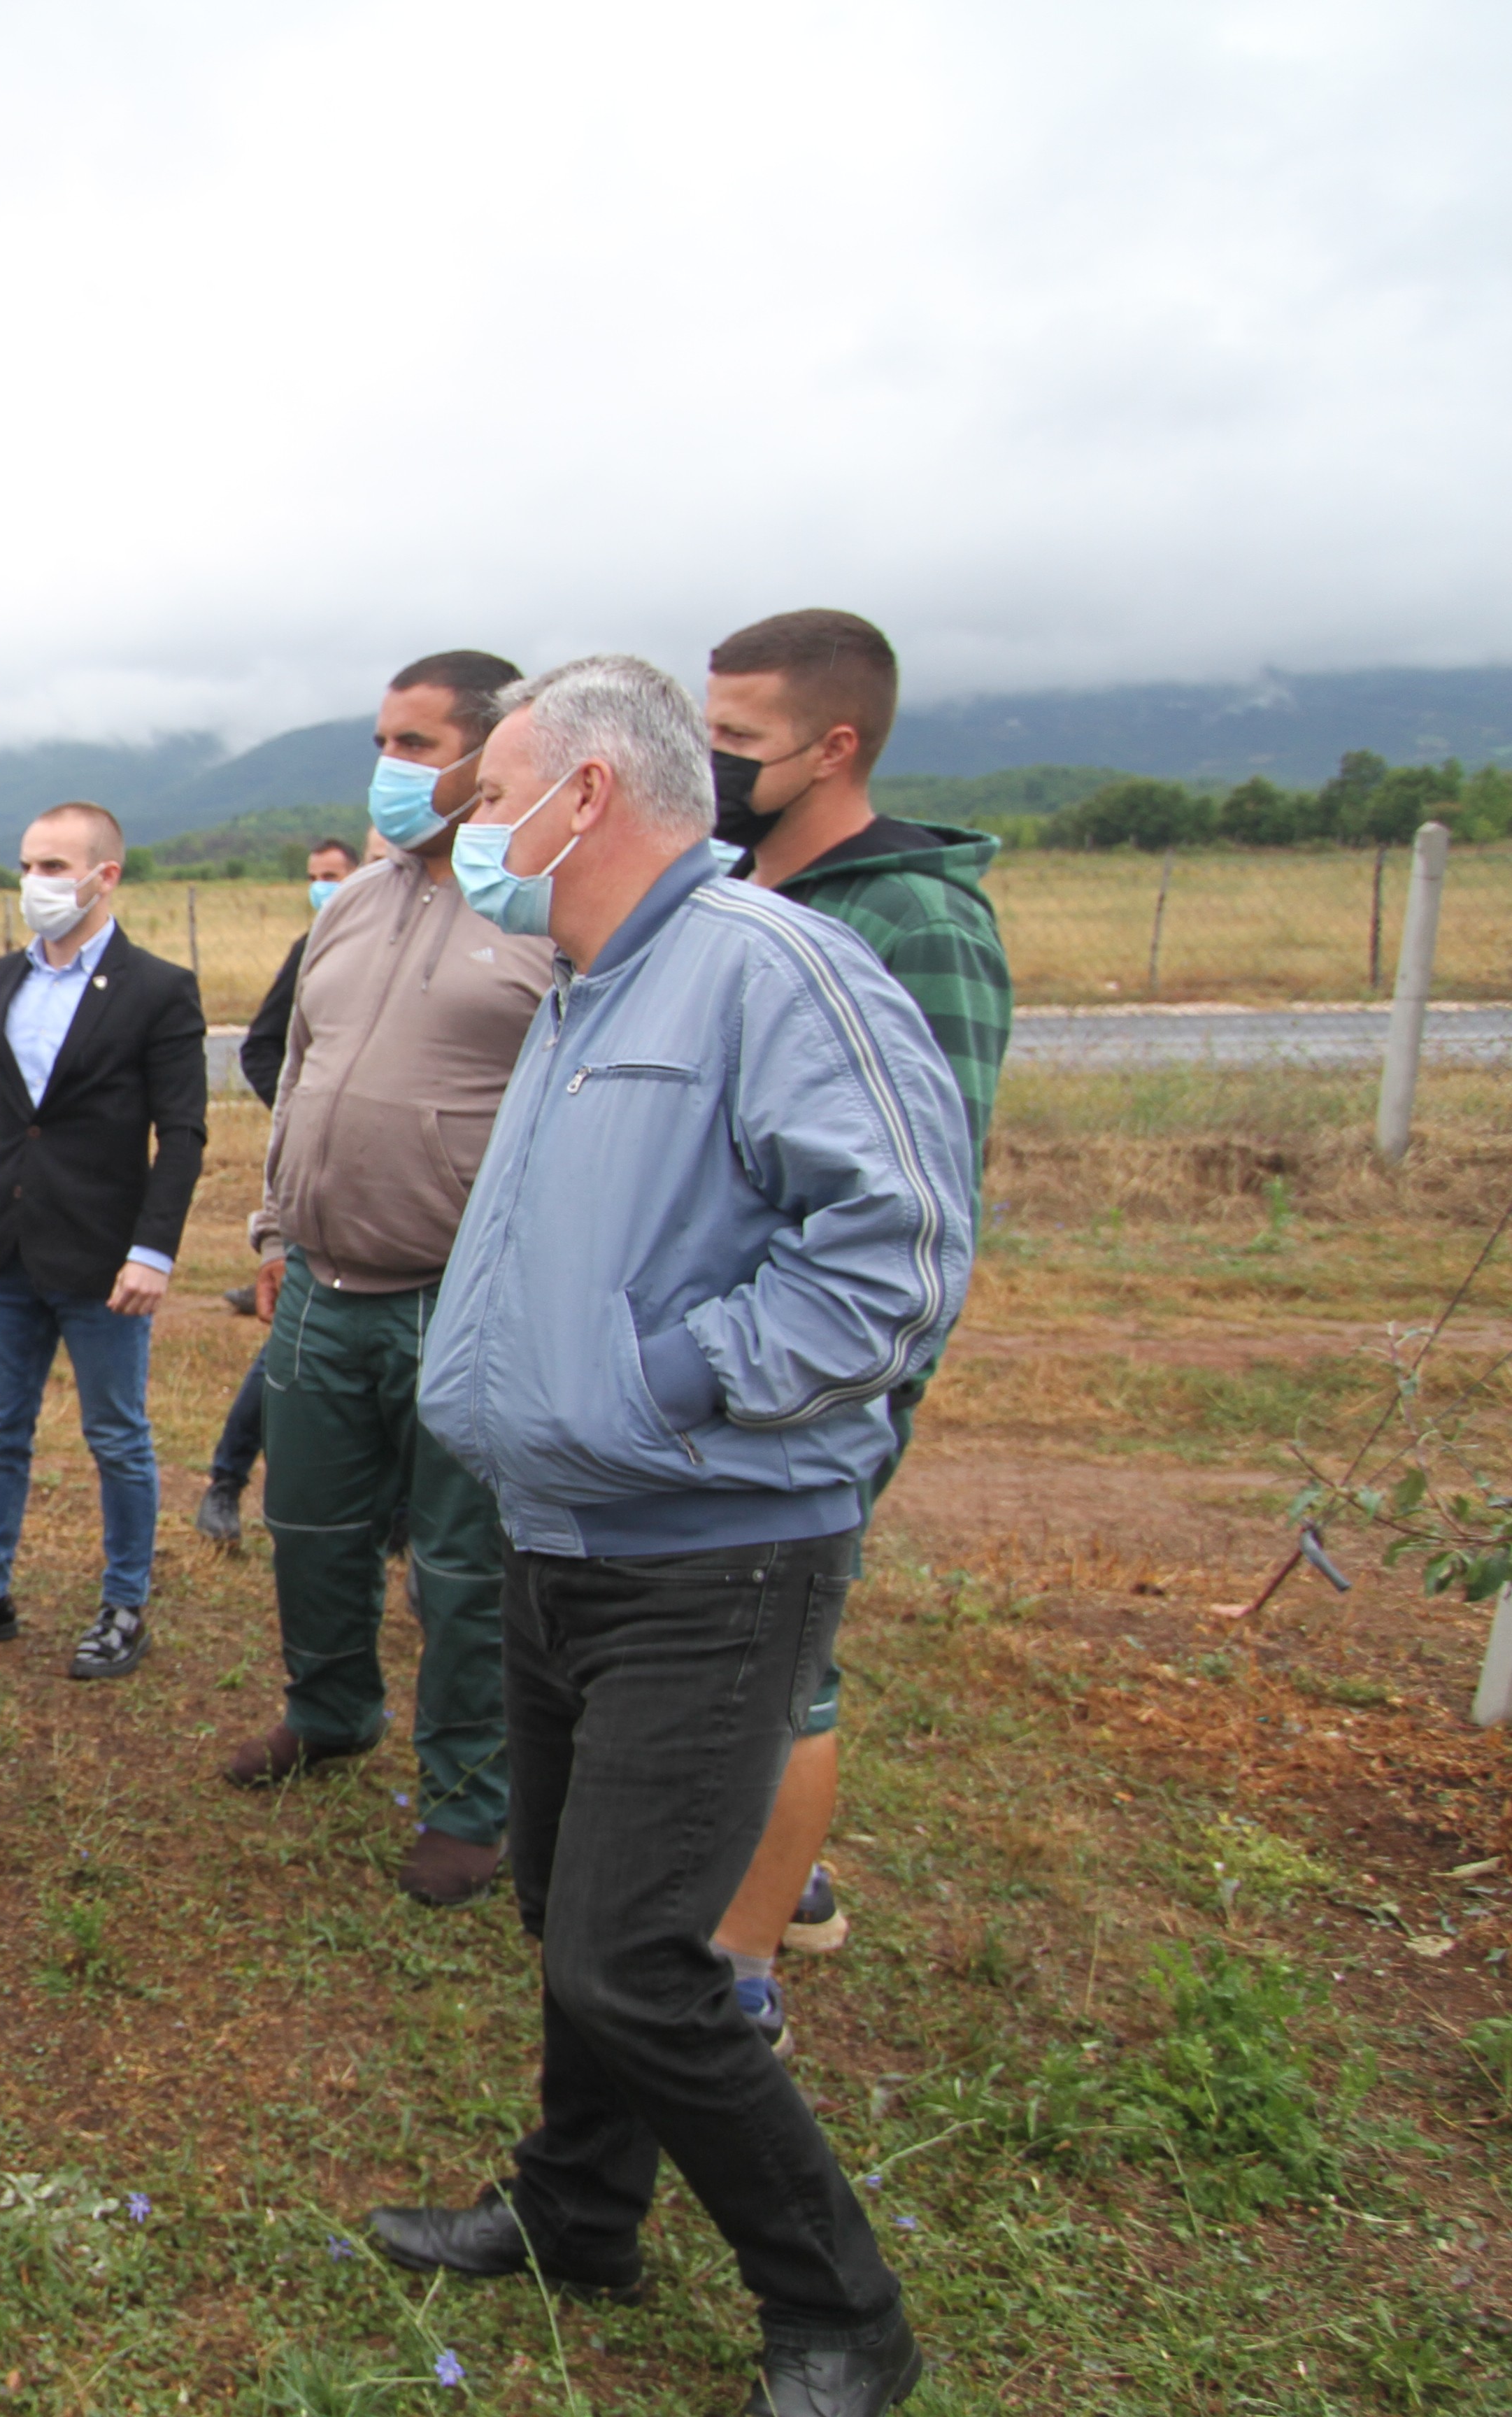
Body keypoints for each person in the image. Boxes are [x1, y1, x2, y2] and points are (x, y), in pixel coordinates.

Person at [379, 655, 971, 2417]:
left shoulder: (769, 970)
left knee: (636, 1954)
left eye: (488, 792)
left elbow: (895, 1256)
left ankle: (840, 2309)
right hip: (562, 1532)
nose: (465, 825)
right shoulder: (578, 986)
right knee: (566, 1904)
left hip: (712, 1548)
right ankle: (578, 2210)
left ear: (587, 796)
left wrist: (663, 1382)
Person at [702, 609, 1011, 2057]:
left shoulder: (912, 922)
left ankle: (745, 1952)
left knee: (782, 1651)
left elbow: (914, 1205)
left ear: (836, 747)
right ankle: (759, 1862)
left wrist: (817, 1387)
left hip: (801, 1375)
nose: (710, 761)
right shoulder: (730, 885)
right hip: (710, 1349)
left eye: (739, 742)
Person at [220, 653, 545, 1910]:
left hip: (454, 1296)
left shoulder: (538, 911)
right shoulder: (349, 905)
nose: (390, 769)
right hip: (314, 1280)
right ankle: (330, 1709)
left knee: (460, 1567)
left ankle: (469, 1798)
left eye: (415, 745)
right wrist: (267, 1232)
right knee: (308, 1526)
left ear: (486, 756)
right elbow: (297, 1071)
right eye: (383, 742)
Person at [0, 802, 206, 1681]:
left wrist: (154, 1251)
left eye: (54, 868)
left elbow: (181, 1135)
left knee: (116, 1435)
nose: (36, 884)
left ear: (105, 876)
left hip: (104, 1257)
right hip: (6, 1248)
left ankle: (123, 1603)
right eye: (28, 866)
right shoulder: (7, 977)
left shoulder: (159, 989)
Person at [201, 830, 380, 1511]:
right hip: (320, 1182)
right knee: (292, 1342)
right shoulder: (314, 950)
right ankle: (227, 1477)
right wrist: (306, 1113)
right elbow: (265, 1048)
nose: (323, 888)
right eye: (315, 877)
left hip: (397, 1188)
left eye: (333, 875)